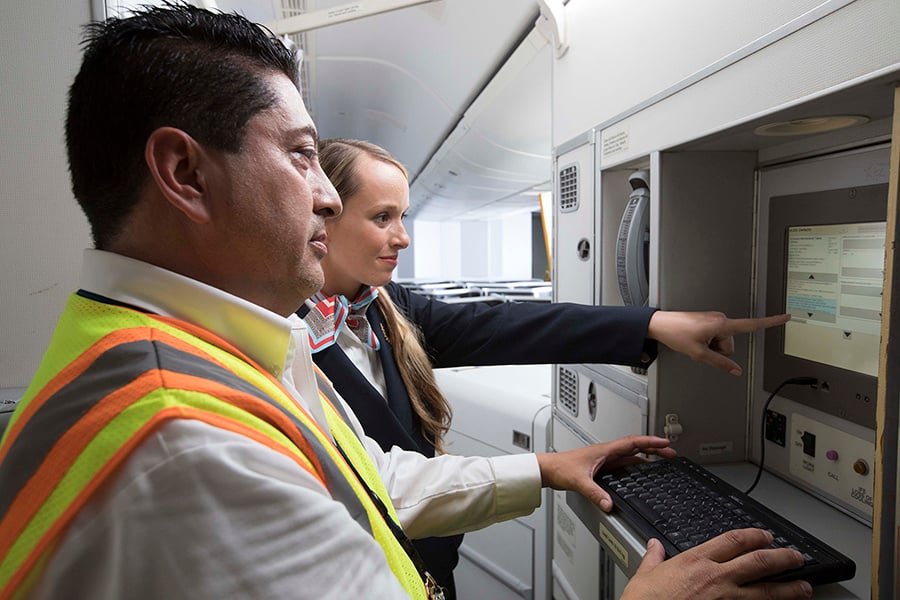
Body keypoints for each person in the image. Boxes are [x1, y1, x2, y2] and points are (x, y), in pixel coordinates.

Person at [0, 5, 811, 600]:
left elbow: (366, 480)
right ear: (184, 174)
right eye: (302, 157)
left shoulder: (188, 349)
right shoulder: (188, 442)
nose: (323, 198)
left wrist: (546, 465)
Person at [300, 137, 796, 597]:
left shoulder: (387, 306)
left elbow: (513, 325)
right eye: (383, 218)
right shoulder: (288, 343)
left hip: (431, 566)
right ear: (324, 216)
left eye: (403, 216)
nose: (403, 238)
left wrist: (654, 323)